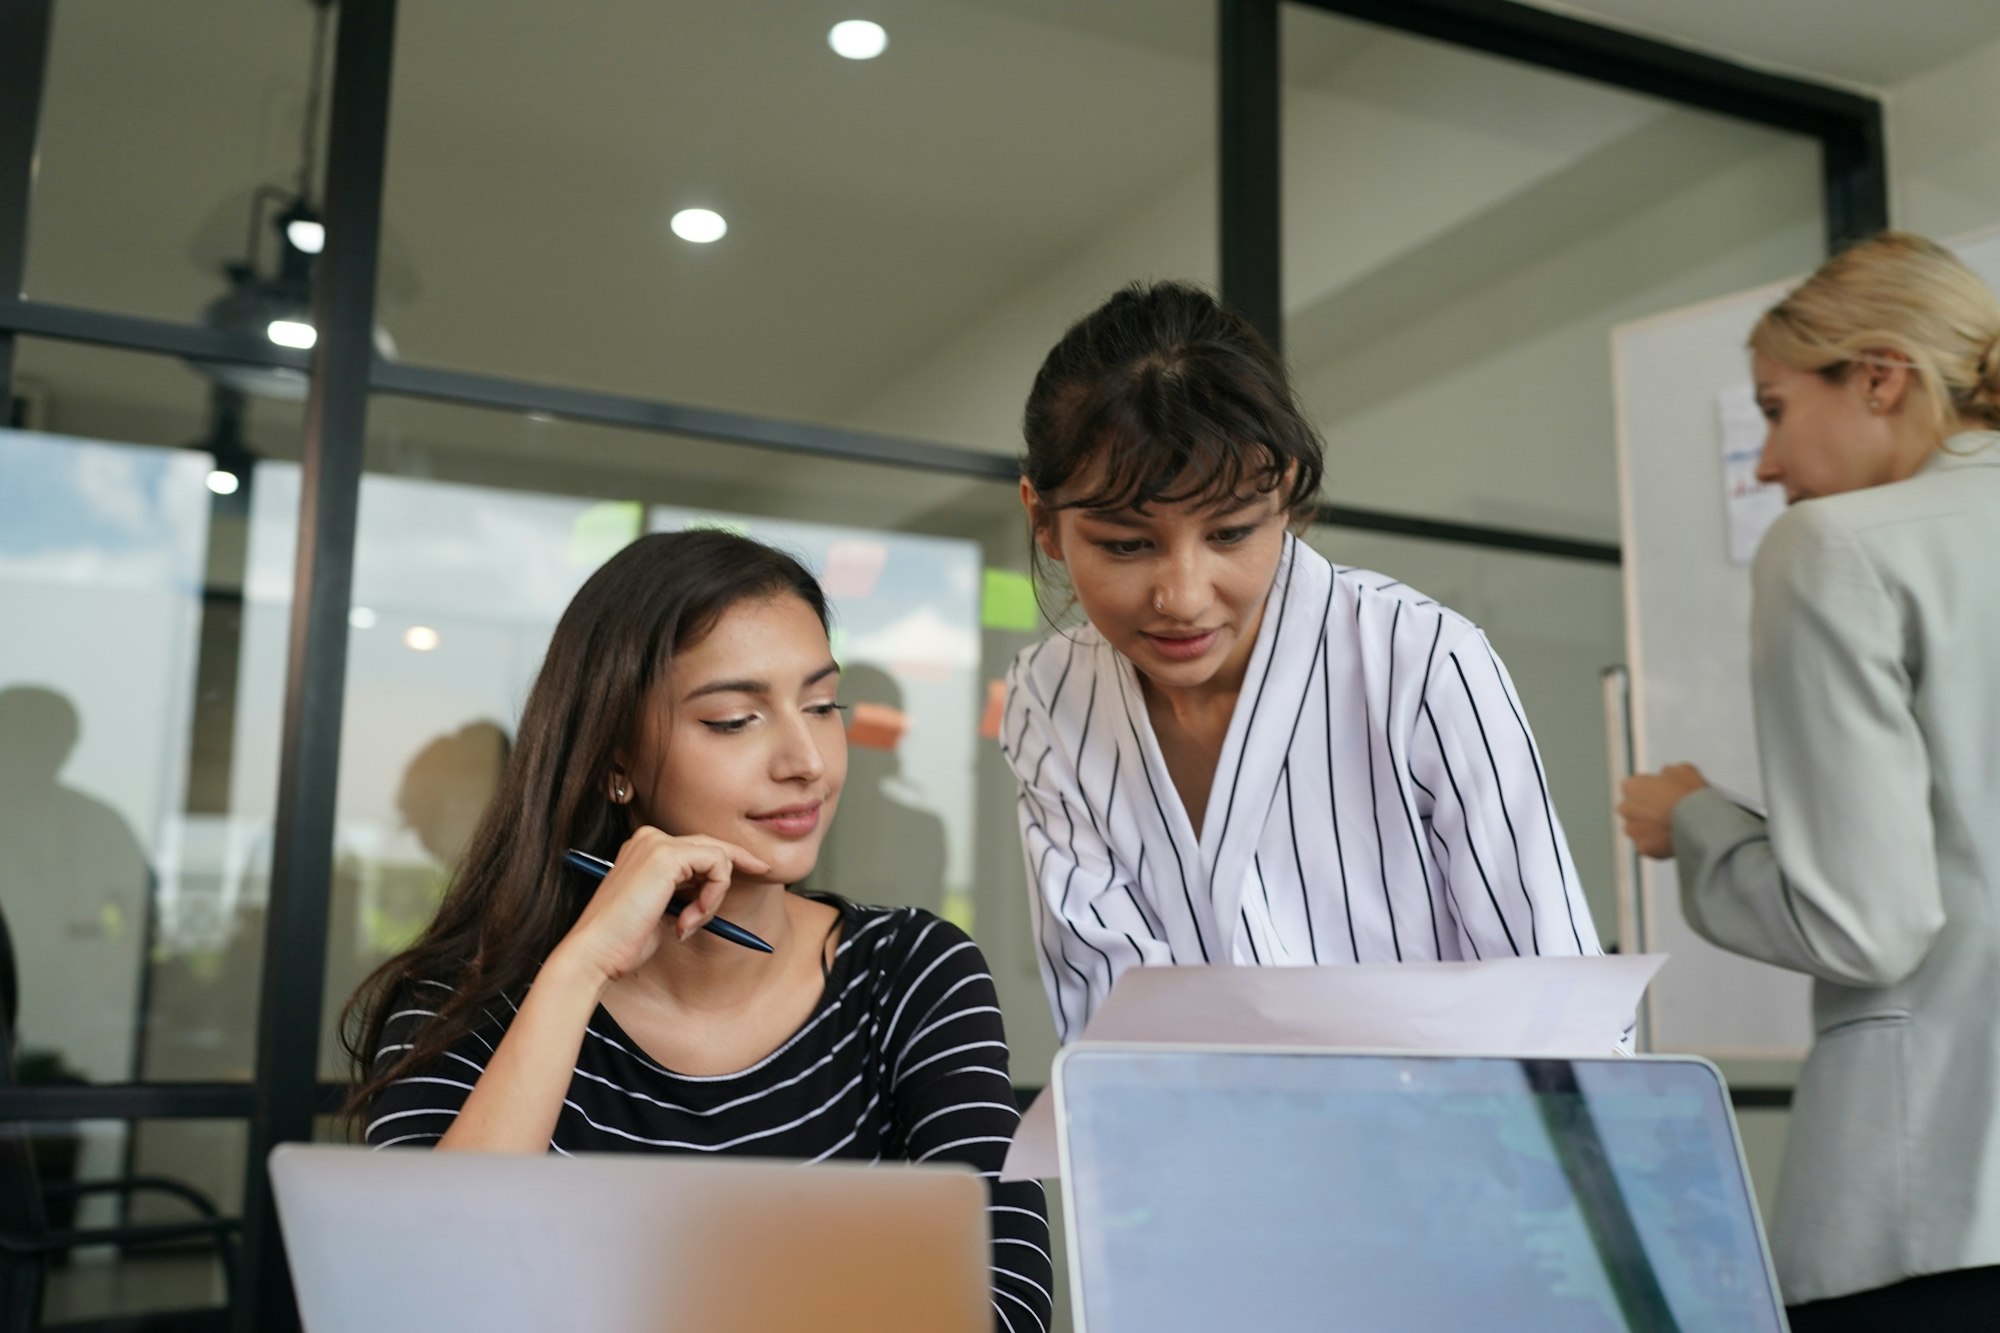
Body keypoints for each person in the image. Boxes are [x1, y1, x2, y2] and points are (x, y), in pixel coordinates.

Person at [343, 530, 1052, 1333]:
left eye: (822, 705)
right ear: (617, 759)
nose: (806, 760)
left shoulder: (915, 976)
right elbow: (418, 1302)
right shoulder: (460, 1000)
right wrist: (576, 973)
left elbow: (1007, 1308)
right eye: (734, 719)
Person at [1003, 281, 1611, 1042]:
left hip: (1460, 1146)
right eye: (1127, 545)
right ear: (1044, 521)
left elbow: (1558, 1007)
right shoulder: (1050, 698)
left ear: (1285, 492)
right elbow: (1110, 1016)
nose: (1185, 597)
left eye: (1229, 533)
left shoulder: (1420, 663)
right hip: (1198, 1148)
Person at [1619, 232, 2000, 1330]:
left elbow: (1867, 927)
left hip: (1930, 1210)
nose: (1767, 465)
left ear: (1878, 376)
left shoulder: (1836, 548)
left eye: (1773, 411)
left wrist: (1690, 818)